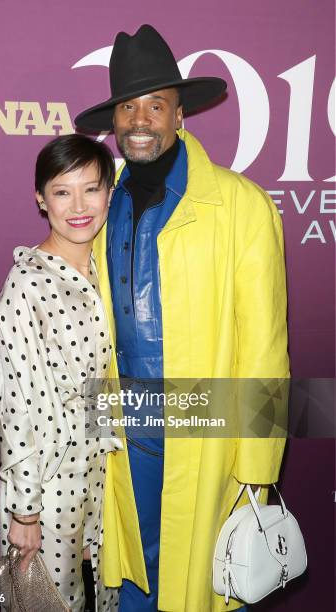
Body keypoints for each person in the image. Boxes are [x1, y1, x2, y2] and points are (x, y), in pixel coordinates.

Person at [74, 24, 289, 612]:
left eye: (155, 105)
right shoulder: (99, 202)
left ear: (179, 116)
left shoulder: (242, 205)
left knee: (197, 582)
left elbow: (265, 348)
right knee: (132, 574)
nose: (139, 120)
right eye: (127, 106)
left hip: (205, 429)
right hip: (121, 427)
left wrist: (257, 470)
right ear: (114, 120)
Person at [0, 133, 122, 612]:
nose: (79, 206)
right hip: (50, 479)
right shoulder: (27, 283)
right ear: (41, 199)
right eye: (63, 191)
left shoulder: (111, 270)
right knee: (48, 604)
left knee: (108, 600)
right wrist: (25, 508)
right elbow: (13, 404)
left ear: (110, 190)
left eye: (92, 188)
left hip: (107, 472)